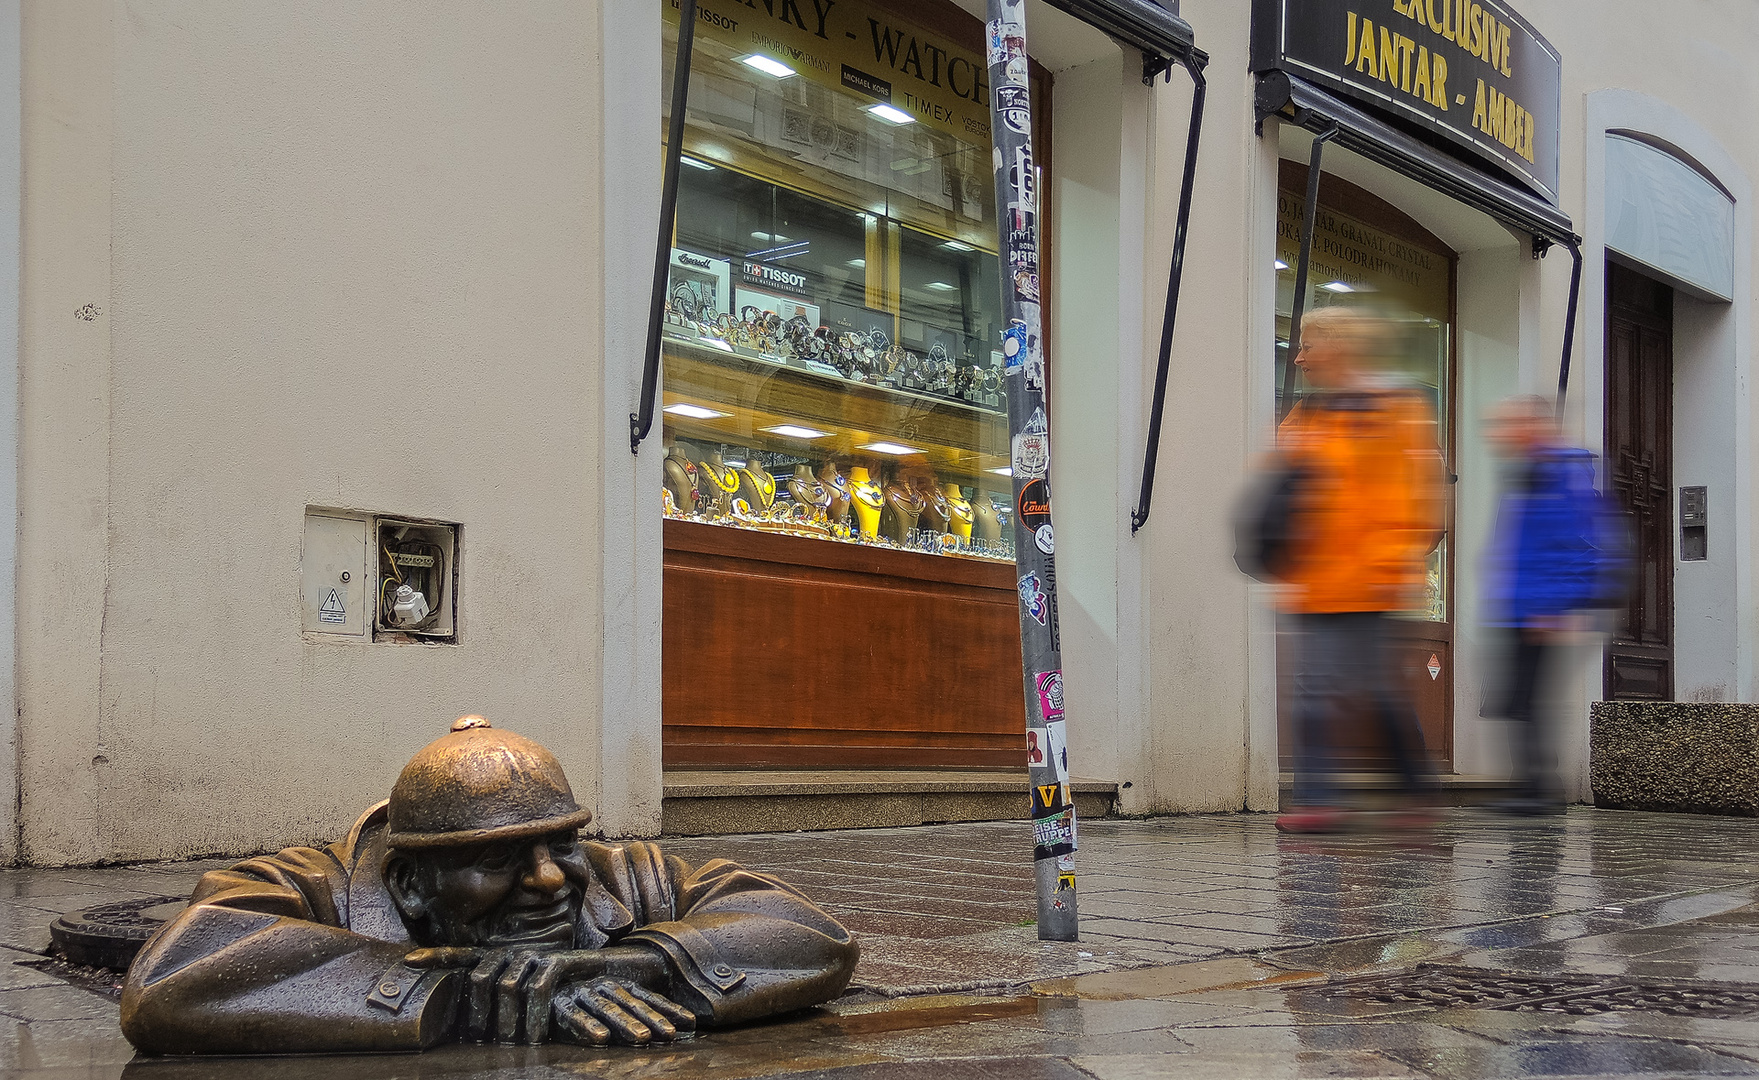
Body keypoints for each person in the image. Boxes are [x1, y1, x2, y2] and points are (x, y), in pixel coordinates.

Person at [120, 717, 858, 1055]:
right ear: (410, 883)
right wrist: (476, 991)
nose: (547, 878)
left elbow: (811, 934)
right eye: (499, 859)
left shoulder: (618, 873)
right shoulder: (311, 886)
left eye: (560, 844)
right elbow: (171, 981)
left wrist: (625, 963)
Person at [1273, 307, 1445, 833]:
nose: (1299, 356)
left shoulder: (1395, 409)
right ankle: (1334, 799)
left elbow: (1422, 499)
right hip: (1318, 579)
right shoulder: (1306, 417)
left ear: (1340, 349)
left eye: (1308, 344)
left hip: (1371, 580)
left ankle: (1338, 799)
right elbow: (1282, 485)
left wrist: (1391, 562)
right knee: (1328, 687)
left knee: (1361, 690)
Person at [1482, 395, 1624, 815]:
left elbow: (1583, 545)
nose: (1500, 435)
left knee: (1526, 697)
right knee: (1517, 697)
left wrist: (1556, 606)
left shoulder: (1561, 475)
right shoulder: (1529, 475)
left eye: (1509, 425)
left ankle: (1538, 788)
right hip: (1521, 608)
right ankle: (1534, 785)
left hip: (1542, 611)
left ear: (1533, 427)